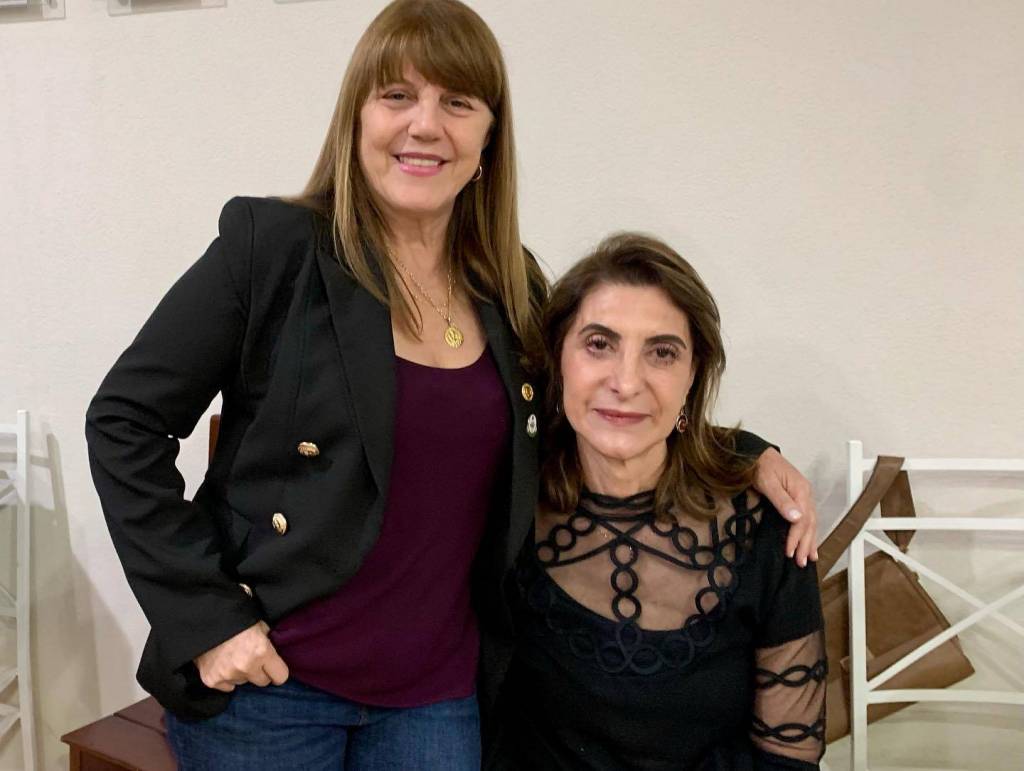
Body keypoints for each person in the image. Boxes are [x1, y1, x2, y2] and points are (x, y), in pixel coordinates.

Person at [85, 1, 818, 768]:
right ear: (357, 117)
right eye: (398, 95)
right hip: (273, 688)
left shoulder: (512, 287)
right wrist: (205, 618)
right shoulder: (274, 251)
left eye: (457, 102)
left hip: (433, 697)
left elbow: (599, 404)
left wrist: (744, 454)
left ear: (488, 138)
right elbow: (123, 420)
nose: (425, 125)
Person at [489, 234, 826, 770]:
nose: (626, 382)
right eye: (599, 344)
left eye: (662, 353)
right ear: (557, 358)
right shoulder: (506, 502)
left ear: (693, 376)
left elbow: (788, 754)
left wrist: (749, 453)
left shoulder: (763, 523)